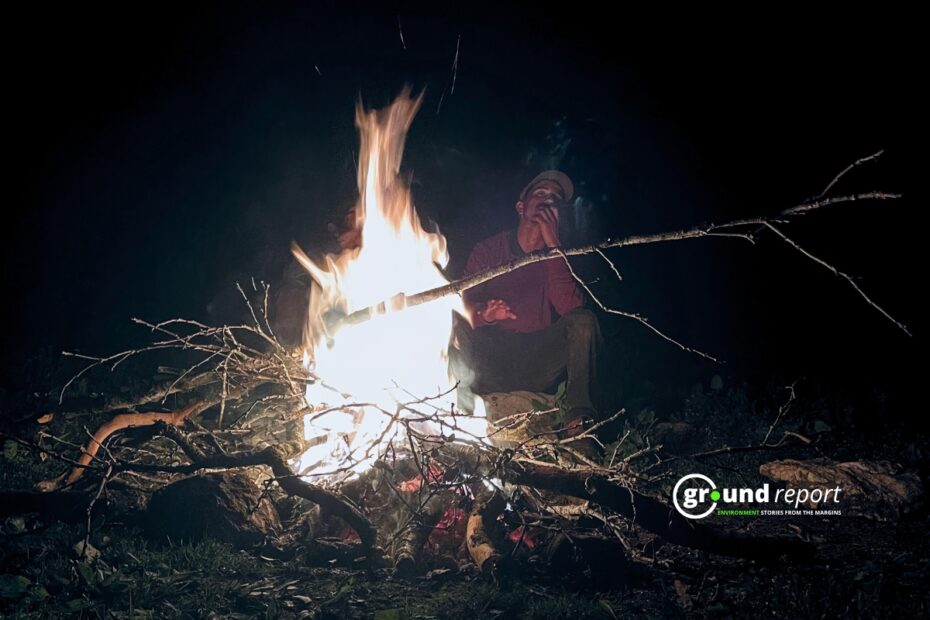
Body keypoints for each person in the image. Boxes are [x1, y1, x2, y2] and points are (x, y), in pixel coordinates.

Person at [452, 171, 602, 437]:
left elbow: (572, 310)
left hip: (535, 360)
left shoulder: (559, 255)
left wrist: (553, 244)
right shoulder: (489, 249)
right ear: (521, 207)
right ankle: (455, 413)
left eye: (555, 198)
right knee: (448, 319)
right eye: (541, 194)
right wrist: (485, 314)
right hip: (490, 356)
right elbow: (459, 309)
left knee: (583, 321)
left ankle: (577, 424)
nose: (548, 201)